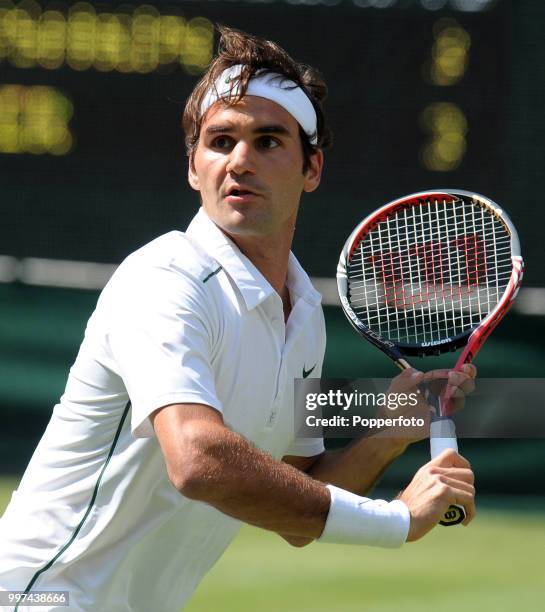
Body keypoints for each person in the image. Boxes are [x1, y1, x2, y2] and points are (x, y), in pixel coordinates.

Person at [0, 26, 476, 612]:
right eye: (220, 141)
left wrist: (393, 429)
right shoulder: (164, 279)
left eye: (269, 141)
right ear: (194, 168)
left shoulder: (302, 316)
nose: (240, 161)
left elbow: (301, 508)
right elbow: (199, 460)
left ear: (312, 168)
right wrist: (397, 520)